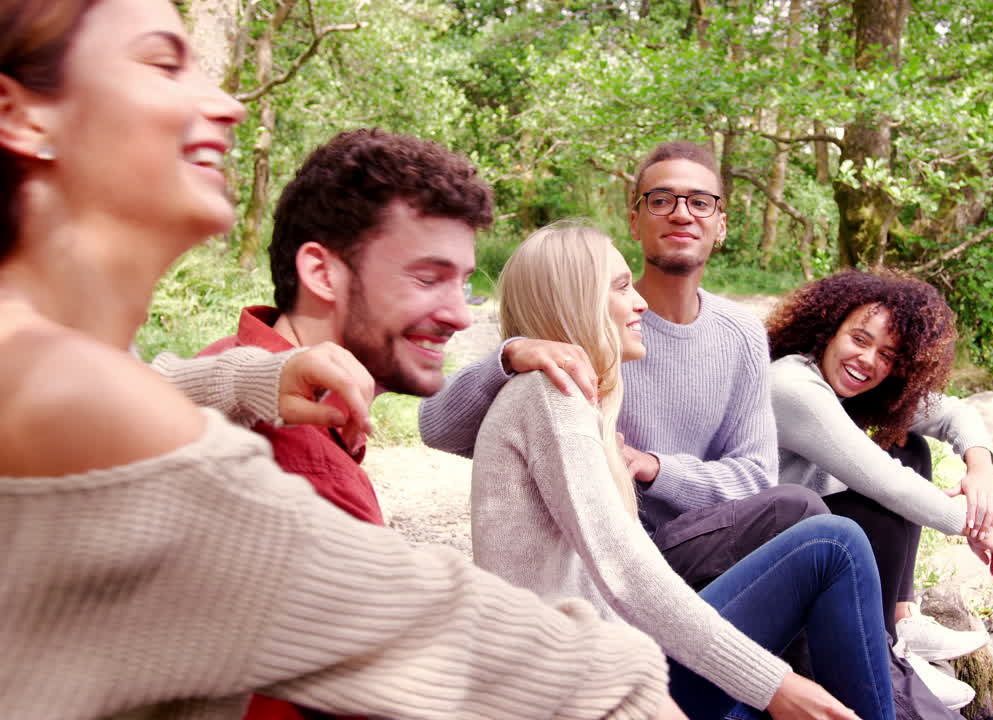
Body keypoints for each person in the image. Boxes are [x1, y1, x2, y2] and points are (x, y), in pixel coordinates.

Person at [0, 1, 680, 717]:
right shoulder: (77, 401)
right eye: (162, 62)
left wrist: (253, 374)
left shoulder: (52, 363)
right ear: (21, 116)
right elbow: (435, 627)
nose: (225, 103)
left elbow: (140, 382)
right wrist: (631, 688)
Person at [470, 221, 895, 720]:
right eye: (621, 286)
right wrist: (774, 683)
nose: (640, 303)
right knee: (832, 545)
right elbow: (625, 569)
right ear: (576, 299)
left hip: (609, 664)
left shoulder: (574, 401)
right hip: (576, 690)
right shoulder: (548, 398)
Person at [421, 141, 826, 590]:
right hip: (611, 561)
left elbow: (755, 476)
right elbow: (437, 427)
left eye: (700, 202)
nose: (681, 213)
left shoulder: (742, 334)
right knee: (805, 516)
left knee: (818, 526)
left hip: (704, 545)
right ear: (635, 222)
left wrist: (652, 467)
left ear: (721, 225)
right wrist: (509, 356)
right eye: (661, 200)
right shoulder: (596, 320)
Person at [195, 128, 501, 719]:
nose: (461, 315)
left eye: (464, 283)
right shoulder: (297, 466)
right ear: (323, 272)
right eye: (427, 277)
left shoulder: (226, 363)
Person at [766, 270, 993, 710]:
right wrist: (972, 526)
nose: (868, 361)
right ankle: (883, 658)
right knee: (876, 507)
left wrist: (979, 468)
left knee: (910, 444)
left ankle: (901, 621)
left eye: (887, 354)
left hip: (804, 531)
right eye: (859, 340)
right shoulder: (793, 384)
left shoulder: (849, 383)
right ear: (828, 330)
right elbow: (885, 481)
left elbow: (952, 412)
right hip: (763, 549)